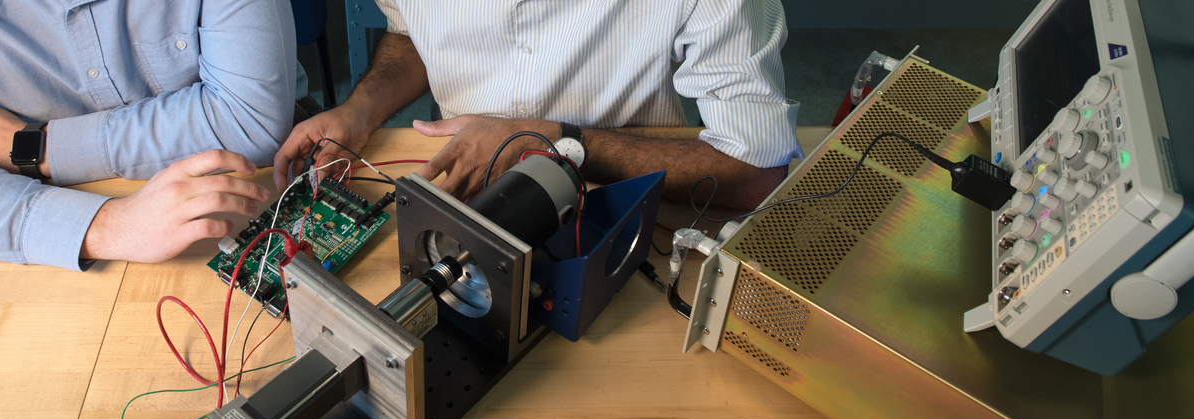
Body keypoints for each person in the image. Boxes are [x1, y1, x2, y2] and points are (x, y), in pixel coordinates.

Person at [0, 0, 296, 271]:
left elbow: (248, 121)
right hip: (78, 224)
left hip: (244, 187)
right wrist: (108, 225)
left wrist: (35, 147)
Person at [274, 0, 801, 211]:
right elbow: (412, 32)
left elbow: (757, 170)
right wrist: (360, 110)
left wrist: (554, 143)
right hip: (455, 182)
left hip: (622, 205)